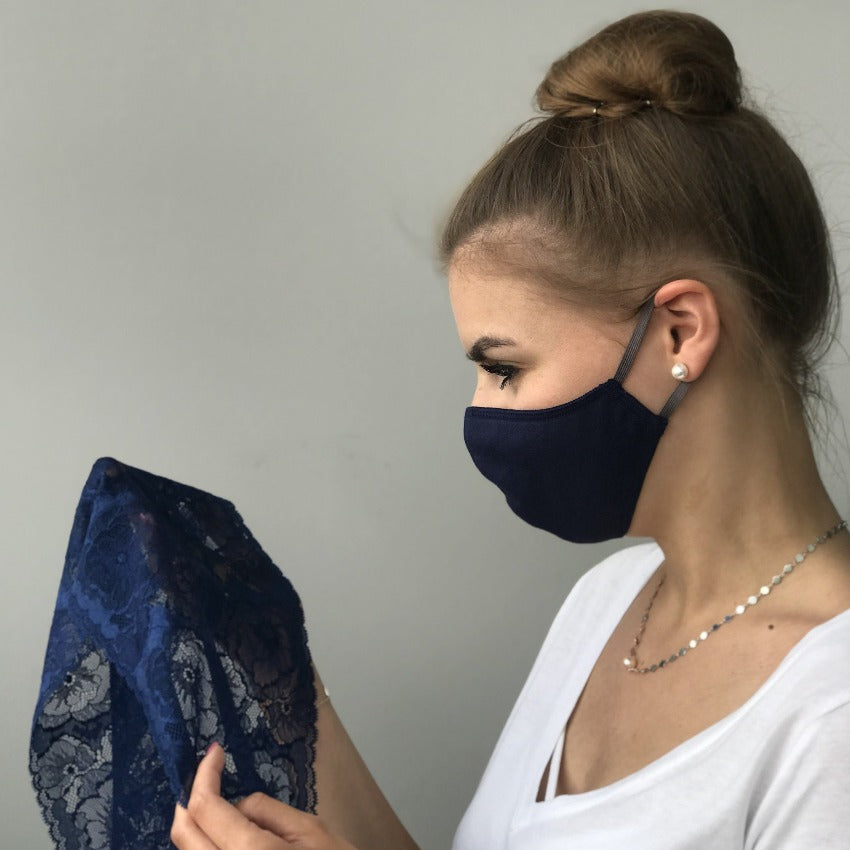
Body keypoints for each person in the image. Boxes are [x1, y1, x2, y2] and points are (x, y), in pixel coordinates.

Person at [171, 9, 850, 849]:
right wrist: (277, 667)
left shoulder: (831, 713)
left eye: (505, 368)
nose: (482, 412)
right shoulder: (608, 601)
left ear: (679, 333)